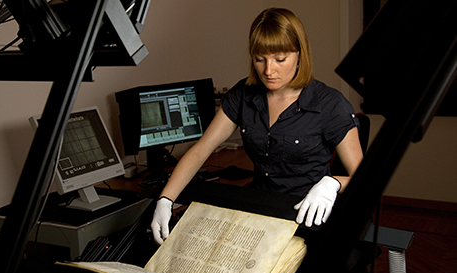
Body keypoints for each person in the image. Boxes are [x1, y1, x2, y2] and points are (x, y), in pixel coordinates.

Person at [151, 7, 363, 245]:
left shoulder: (330, 104)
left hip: (308, 219)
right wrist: (165, 199)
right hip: (259, 212)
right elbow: (201, 150)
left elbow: (364, 179)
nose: (268, 70)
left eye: (280, 59)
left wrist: (332, 183)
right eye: (259, 59)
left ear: (299, 54)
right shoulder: (243, 95)